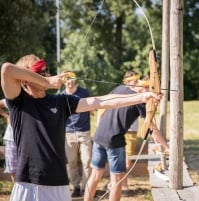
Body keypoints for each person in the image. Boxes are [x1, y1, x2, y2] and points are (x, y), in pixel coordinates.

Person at [1, 54, 161, 201]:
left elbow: (101, 101)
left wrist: (141, 96)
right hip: (29, 183)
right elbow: (7, 69)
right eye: (40, 72)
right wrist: (47, 82)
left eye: (47, 70)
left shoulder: (61, 101)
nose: (47, 74)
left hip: (59, 184)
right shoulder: (19, 102)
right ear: (25, 79)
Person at [84, 70, 169, 201]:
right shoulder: (139, 102)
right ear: (143, 87)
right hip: (114, 141)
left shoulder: (120, 88)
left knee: (95, 175)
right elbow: (151, 128)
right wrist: (166, 147)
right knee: (117, 180)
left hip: (99, 136)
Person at [60, 71, 92, 197]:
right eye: (67, 79)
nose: (70, 81)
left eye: (72, 78)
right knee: (72, 162)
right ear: (64, 81)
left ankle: (86, 188)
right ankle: (76, 187)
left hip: (84, 131)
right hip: (68, 133)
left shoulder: (84, 93)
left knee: (87, 161)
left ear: (75, 80)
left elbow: (90, 109)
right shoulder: (61, 95)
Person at [0, 98, 17, 183]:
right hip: (11, 138)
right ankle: (17, 194)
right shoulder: (11, 99)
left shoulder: (33, 98)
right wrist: (7, 116)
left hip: (28, 139)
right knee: (13, 170)